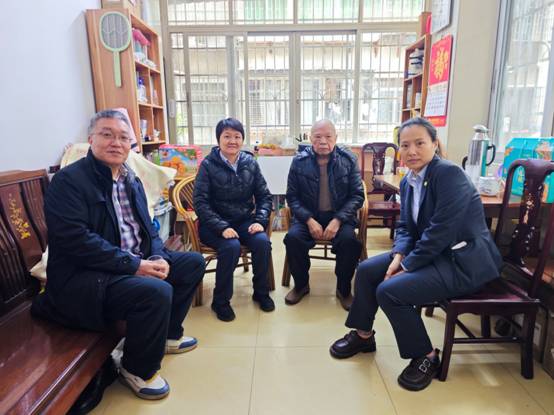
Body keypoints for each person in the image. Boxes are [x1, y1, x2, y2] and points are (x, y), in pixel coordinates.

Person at [32, 110, 206, 400]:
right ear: (91, 140)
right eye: (107, 134)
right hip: (87, 276)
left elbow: (149, 229)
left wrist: (158, 257)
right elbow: (78, 242)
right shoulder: (68, 182)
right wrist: (135, 265)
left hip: (127, 264)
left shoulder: (130, 179)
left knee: (191, 263)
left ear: (130, 145)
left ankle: (167, 335)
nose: (116, 142)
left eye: (124, 137)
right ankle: (136, 369)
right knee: (156, 291)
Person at [330, 117, 503, 391]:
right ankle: (363, 335)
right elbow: (405, 227)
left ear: (435, 144)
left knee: (389, 291)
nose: (411, 151)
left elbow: (440, 232)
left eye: (420, 143)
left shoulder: (449, 175)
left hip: (463, 261)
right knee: (366, 270)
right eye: (405, 145)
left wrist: (407, 266)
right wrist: (399, 255)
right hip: (434, 254)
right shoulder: (409, 181)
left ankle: (426, 356)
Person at [193, 117, 274, 322]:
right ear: (218, 140)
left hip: (243, 221)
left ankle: (261, 293)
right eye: (227, 136)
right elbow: (200, 203)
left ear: (242, 139)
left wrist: (260, 220)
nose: (232, 141)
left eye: (237, 136)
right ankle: (220, 301)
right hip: (213, 225)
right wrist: (222, 227)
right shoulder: (207, 165)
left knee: (262, 242)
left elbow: (264, 196)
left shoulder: (250, 163)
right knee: (231, 247)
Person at [284, 119, 365, 310]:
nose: (323, 141)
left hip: (340, 217)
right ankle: (301, 285)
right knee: (293, 239)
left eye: (328, 136)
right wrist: (309, 220)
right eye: (318, 136)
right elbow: (292, 197)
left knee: (349, 242)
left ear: (336, 138)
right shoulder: (299, 161)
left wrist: (337, 220)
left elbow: (357, 196)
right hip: (308, 216)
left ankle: (343, 289)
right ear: (310, 138)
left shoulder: (348, 160)